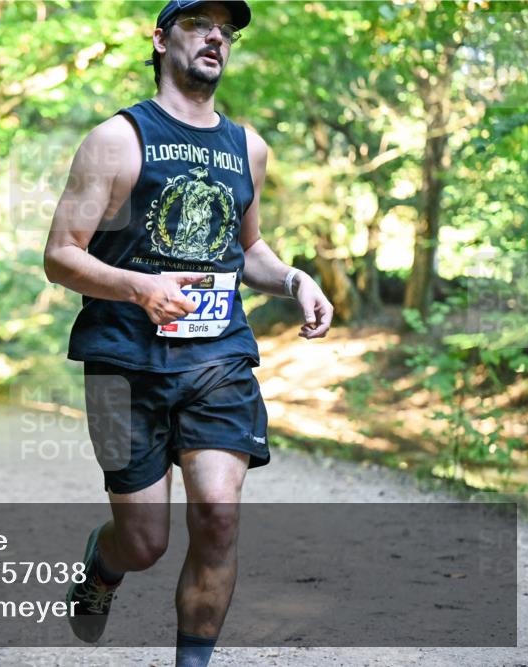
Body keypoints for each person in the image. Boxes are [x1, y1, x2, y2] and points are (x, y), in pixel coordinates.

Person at [42, 2, 334, 665]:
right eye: (200, 24)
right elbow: (61, 253)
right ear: (160, 37)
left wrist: (295, 280)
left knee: (219, 517)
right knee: (144, 541)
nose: (215, 38)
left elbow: (249, 250)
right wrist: (139, 286)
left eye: (225, 31)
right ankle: (104, 562)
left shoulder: (247, 148)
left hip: (217, 358)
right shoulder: (116, 140)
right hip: (122, 360)